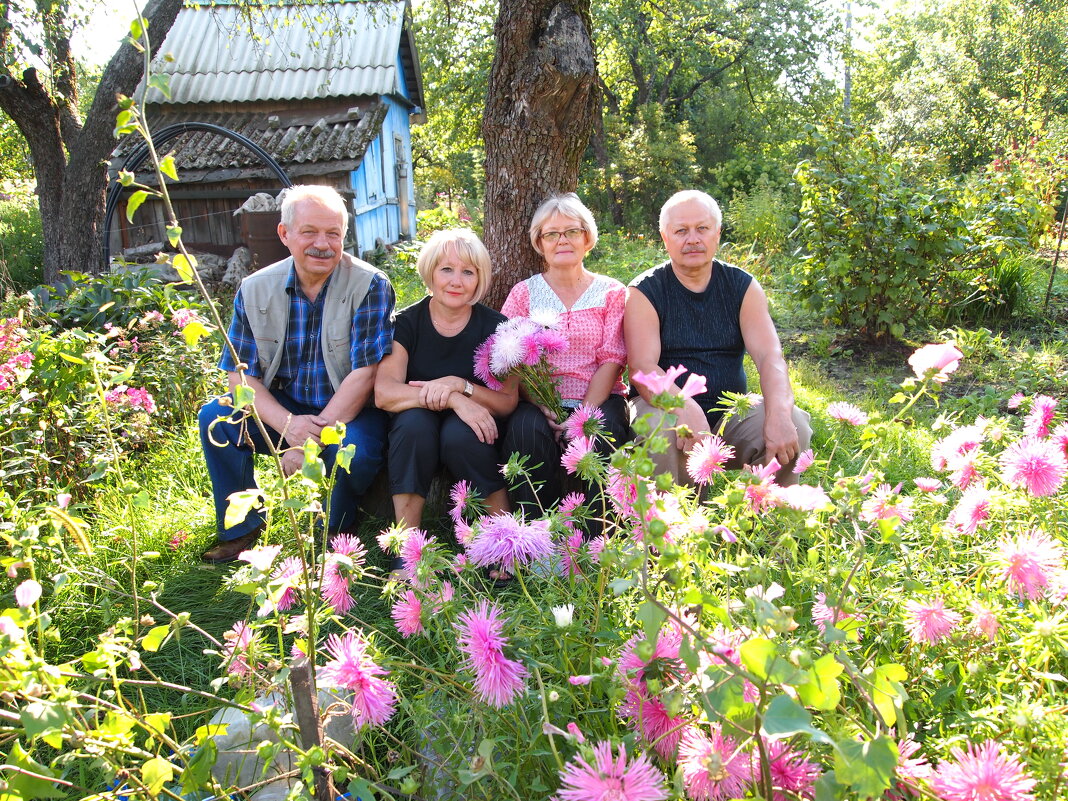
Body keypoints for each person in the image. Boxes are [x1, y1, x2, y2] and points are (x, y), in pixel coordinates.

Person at [198, 184, 394, 563]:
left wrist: (311, 439)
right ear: (285, 234)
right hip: (282, 403)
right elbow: (241, 377)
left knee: (360, 451)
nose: (323, 244)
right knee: (216, 419)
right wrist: (288, 426)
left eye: (333, 234)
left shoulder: (370, 284)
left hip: (348, 405)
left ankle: (334, 530)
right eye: (310, 232)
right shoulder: (253, 289)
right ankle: (243, 528)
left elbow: (365, 374)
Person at [625, 189, 811, 486]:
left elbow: (769, 357)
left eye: (702, 228)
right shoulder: (644, 291)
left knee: (796, 425)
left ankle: (772, 523)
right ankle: (675, 528)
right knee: (661, 431)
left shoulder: (742, 286)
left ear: (717, 233)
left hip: (731, 409)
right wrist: (685, 407)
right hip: (664, 406)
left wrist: (778, 413)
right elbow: (642, 368)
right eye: (681, 231)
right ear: (665, 238)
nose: (693, 239)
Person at [374, 229, 518, 531]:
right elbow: (385, 393)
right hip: (417, 418)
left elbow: (506, 403)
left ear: (479, 279)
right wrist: (452, 397)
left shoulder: (498, 327)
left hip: (473, 425)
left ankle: (506, 540)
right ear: (430, 272)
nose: (456, 281)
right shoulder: (405, 323)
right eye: (447, 269)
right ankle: (408, 547)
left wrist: (461, 385)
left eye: (468, 272)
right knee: (413, 426)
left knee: (463, 433)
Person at [500, 192, 630, 515]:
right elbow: (510, 360)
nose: (562, 240)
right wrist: (541, 404)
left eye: (572, 231)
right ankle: (540, 536)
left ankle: (595, 541)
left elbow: (612, 360)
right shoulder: (524, 294)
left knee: (600, 436)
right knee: (525, 431)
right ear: (539, 243)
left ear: (587, 238)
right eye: (552, 234)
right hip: (540, 402)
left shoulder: (612, 292)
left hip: (599, 399)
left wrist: (580, 418)